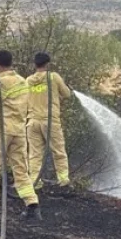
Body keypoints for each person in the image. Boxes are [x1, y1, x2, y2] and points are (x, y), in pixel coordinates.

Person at [0, 50, 40, 220]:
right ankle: (33, 206)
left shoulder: (1, 82)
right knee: (21, 170)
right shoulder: (22, 81)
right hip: (19, 131)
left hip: (1, 130)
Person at [26, 51, 72, 189]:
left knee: (34, 154)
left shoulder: (28, 81)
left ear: (35, 64)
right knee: (58, 151)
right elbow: (67, 94)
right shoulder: (53, 77)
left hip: (32, 122)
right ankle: (63, 179)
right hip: (50, 121)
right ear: (47, 64)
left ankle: (35, 182)